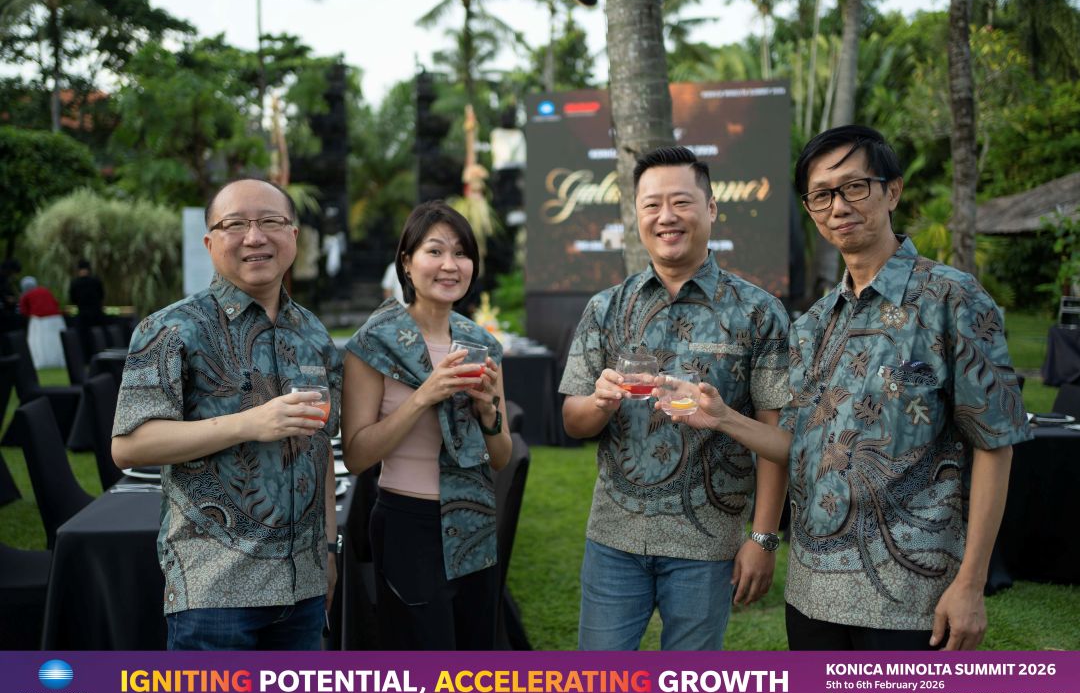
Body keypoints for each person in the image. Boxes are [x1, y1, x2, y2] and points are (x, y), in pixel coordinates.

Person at [677, 125, 1030, 651]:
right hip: (811, 596)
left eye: (855, 186)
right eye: (821, 195)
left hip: (912, 596)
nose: (838, 206)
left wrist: (971, 582)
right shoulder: (812, 325)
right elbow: (795, 445)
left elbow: (995, 443)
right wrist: (723, 416)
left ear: (893, 191)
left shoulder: (952, 300)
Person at [558, 146, 790, 651]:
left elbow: (777, 438)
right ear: (636, 215)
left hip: (706, 542)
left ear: (711, 208)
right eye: (651, 205)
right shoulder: (607, 308)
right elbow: (573, 421)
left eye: (681, 202)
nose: (666, 216)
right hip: (614, 539)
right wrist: (599, 402)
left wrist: (763, 537)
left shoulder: (758, 313)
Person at [111, 178, 342, 651]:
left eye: (270, 222)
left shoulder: (313, 333)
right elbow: (129, 445)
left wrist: (328, 550)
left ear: (293, 235)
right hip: (215, 590)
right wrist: (249, 424)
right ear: (210, 242)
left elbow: (318, 449)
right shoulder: (171, 328)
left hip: (304, 586)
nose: (254, 237)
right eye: (235, 224)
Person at [340, 200, 511, 650]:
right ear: (407, 263)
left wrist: (489, 415)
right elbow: (356, 456)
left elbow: (501, 456)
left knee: (474, 664)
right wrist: (424, 395)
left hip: (474, 519)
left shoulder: (481, 344)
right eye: (435, 251)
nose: (450, 265)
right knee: (421, 664)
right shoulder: (373, 345)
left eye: (461, 253)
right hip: (408, 524)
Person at [18, 276, 66, 369]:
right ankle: (59, 360)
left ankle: (42, 361)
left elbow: (23, 311)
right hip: (56, 318)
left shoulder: (26, 295)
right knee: (56, 340)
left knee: (39, 341)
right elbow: (56, 302)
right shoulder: (44, 290)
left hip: (39, 320)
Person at [68, 258, 106, 357]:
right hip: (97, 314)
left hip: (82, 315)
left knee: (84, 338)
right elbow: (102, 295)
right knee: (98, 337)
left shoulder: (75, 283)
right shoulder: (96, 281)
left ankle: (86, 357)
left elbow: (73, 299)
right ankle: (99, 355)